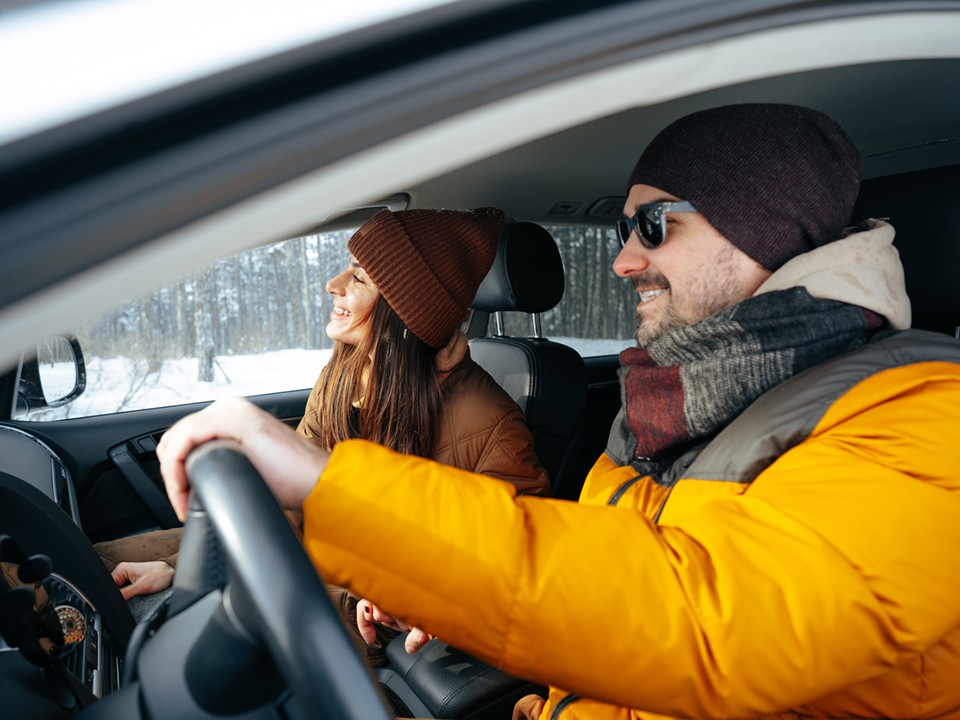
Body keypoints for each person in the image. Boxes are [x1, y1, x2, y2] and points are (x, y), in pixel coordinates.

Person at [155, 104, 960, 719]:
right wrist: (440, 594)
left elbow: (703, 616)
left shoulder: (927, 418)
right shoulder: (664, 407)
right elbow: (605, 585)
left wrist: (331, 487)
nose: (622, 258)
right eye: (621, 227)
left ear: (766, 228)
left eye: (656, 224)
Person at [100, 207, 549, 664]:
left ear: (404, 310)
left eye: (359, 278)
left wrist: (406, 599)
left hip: (369, 621)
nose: (332, 284)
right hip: (298, 561)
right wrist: (183, 569)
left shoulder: (494, 425)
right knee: (92, 566)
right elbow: (290, 503)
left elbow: (513, 570)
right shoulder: (342, 374)